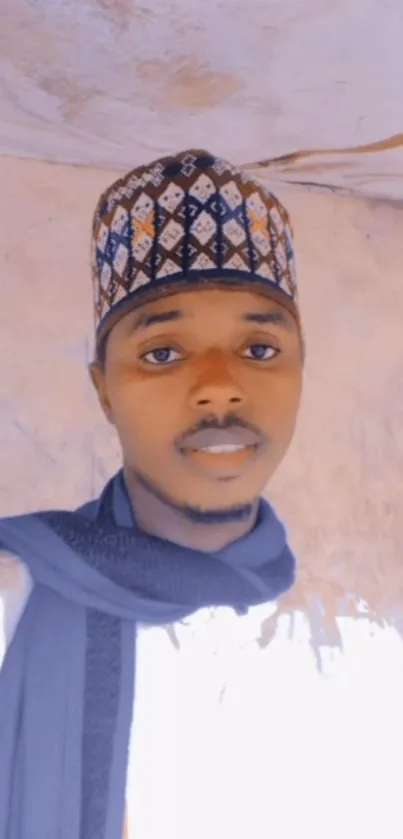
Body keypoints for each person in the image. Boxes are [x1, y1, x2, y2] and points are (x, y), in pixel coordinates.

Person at [0, 149, 303, 839]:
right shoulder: (10, 597)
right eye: (163, 351)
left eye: (259, 350)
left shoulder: (359, 637)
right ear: (104, 389)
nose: (219, 384)